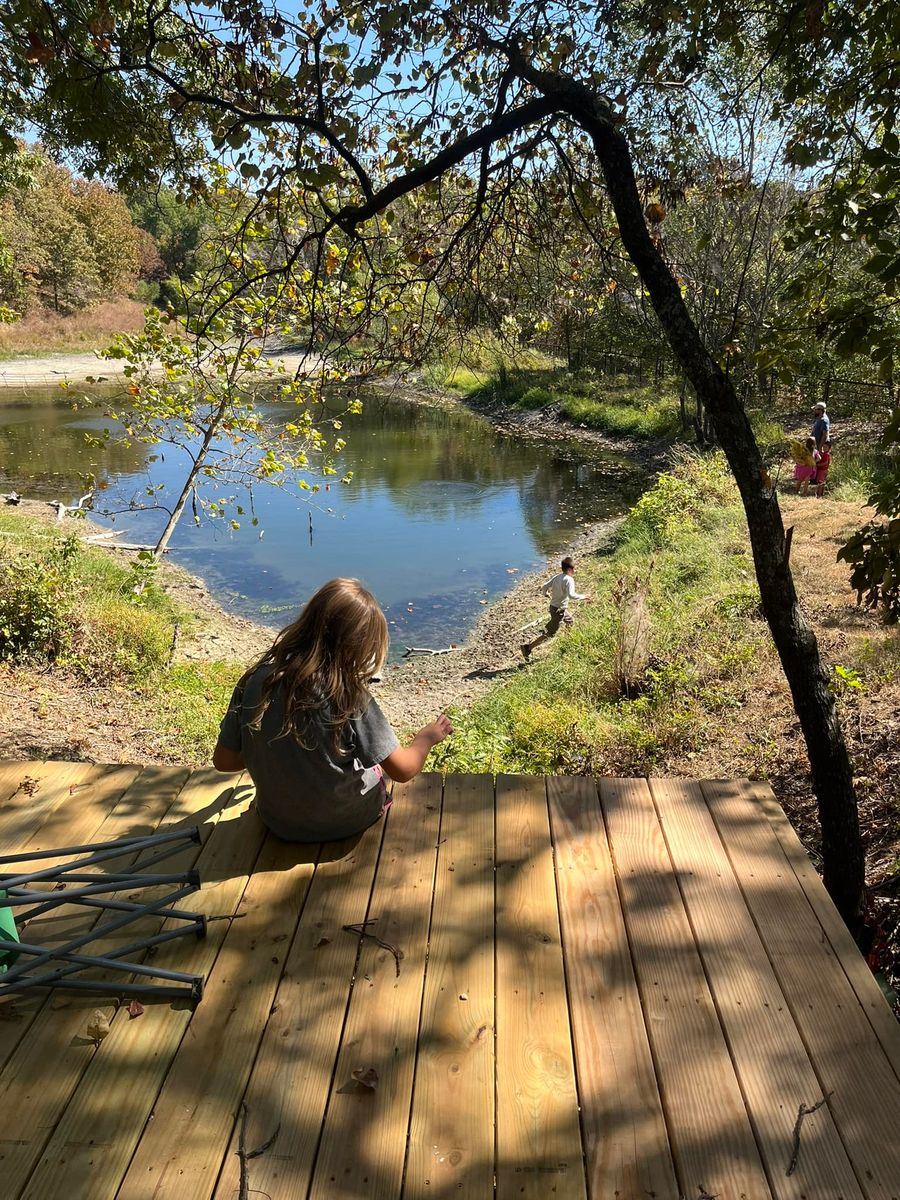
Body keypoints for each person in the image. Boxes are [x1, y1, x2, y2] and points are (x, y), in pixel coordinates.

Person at [212, 578, 452, 842]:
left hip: (279, 823)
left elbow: (224, 762)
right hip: (346, 821)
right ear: (357, 647)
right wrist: (426, 738)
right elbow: (403, 770)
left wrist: (276, 756)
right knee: (376, 770)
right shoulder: (350, 697)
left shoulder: (256, 681)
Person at [521, 556, 590, 660]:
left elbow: (544, 586)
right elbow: (571, 595)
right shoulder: (569, 580)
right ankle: (528, 648)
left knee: (570, 621)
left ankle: (567, 643)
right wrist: (583, 596)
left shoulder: (557, 577)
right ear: (570, 569)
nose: (575, 571)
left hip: (554, 607)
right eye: (574, 569)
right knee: (550, 634)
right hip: (558, 610)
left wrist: (546, 593)